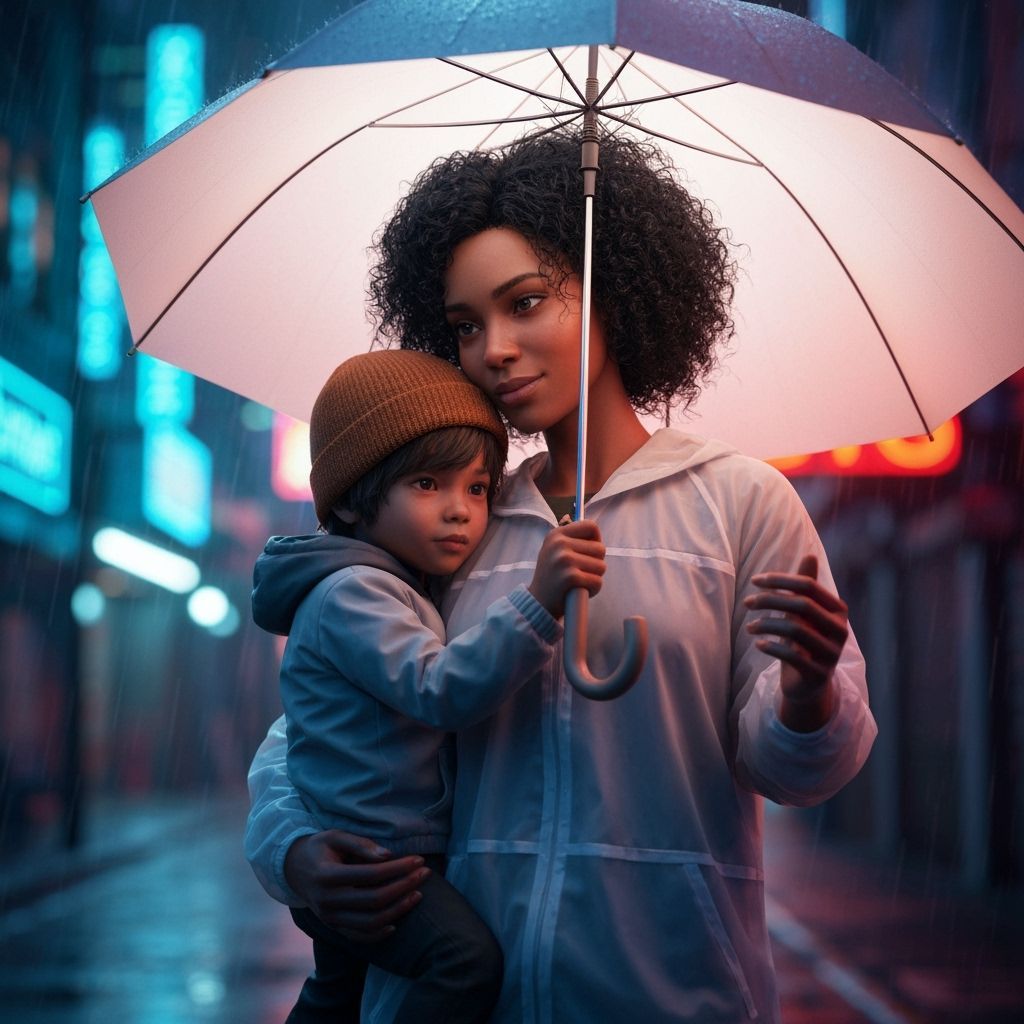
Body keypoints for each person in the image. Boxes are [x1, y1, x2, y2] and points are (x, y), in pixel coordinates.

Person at [246, 129, 878, 1023]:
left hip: (671, 994)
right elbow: (326, 713)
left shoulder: (742, 502)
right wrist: (294, 848)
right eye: (466, 326)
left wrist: (809, 693)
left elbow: (796, 767)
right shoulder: (457, 523)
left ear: (614, 291)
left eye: (527, 302)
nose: (493, 349)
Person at [253, 348, 607, 1023]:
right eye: (427, 484)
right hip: (376, 857)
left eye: (477, 488)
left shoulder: (394, 583)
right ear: (355, 499)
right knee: (464, 962)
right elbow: (440, 688)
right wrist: (538, 602)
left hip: (376, 846)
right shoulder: (355, 592)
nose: (460, 512)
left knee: (336, 997)